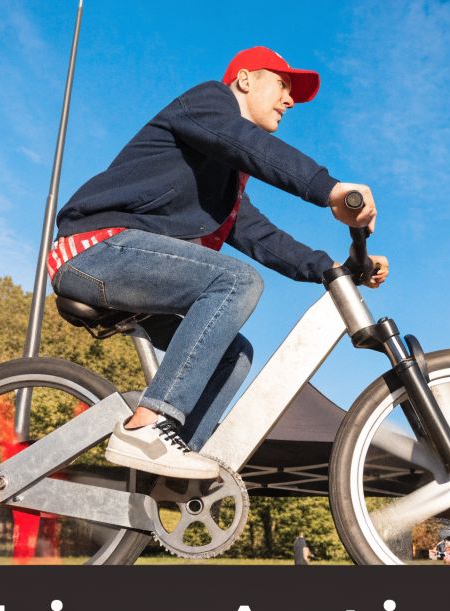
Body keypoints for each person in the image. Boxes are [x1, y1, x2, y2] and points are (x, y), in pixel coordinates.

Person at [51, 46, 386, 480]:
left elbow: (264, 238)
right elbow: (249, 145)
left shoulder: (224, 183)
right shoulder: (206, 102)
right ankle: (148, 426)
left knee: (234, 353)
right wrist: (329, 189)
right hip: (92, 251)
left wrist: (336, 268)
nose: (289, 101)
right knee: (236, 282)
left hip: (127, 265)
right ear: (245, 80)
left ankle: (172, 465)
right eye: (283, 85)